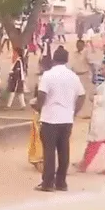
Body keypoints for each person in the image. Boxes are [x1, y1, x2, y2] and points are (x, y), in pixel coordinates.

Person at [32, 47, 85, 192]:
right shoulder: (73, 76)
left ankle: (48, 182)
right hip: (66, 118)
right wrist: (74, 111)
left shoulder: (47, 76)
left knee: (49, 151)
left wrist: (37, 107)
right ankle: (61, 182)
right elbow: (82, 96)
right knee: (64, 151)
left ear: (54, 59)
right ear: (67, 60)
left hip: (50, 118)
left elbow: (42, 96)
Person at [28, 55, 53, 172]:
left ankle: (39, 160)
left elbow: (38, 96)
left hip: (41, 111)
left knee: (38, 137)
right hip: (53, 112)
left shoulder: (43, 79)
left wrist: (35, 105)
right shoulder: (55, 77)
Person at [69, 40, 93, 119]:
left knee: (84, 94)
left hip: (84, 75)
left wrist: (93, 75)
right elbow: (71, 64)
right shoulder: (73, 53)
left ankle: (86, 113)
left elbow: (91, 63)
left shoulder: (86, 53)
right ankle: (77, 112)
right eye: (77, 45)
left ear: (83, 46)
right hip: (76, 75)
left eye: (80, 45)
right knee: (76, 94)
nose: (79, 47)